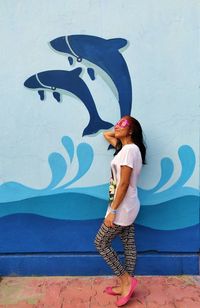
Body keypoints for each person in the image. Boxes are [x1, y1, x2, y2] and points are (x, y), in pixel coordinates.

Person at [94, 115, 146, 307]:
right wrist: (119, 132)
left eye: (122, 124)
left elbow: (123, 183)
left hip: (122, 207)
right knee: (128, 243)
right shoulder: (126, 149)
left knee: (100, 242)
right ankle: (126, 287)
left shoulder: (129, 150)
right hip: (126, 204)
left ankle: (126, 280)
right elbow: (107, 135)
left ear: (131, 130)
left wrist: (113, 211)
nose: (117, 125)